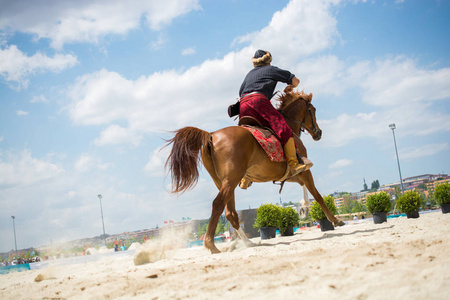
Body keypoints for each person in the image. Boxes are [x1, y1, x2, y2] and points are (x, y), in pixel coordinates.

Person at [239, 50, 313, 178]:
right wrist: (290, 86)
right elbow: (296, 81)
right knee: (283, 128)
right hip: (259, 102)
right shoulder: (271, 70)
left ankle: (246, 179)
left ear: (255, 64)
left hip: (243, 105)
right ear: (269, 61)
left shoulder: (249, 75)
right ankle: (294, 163)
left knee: (255, 131)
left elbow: (241, 92)